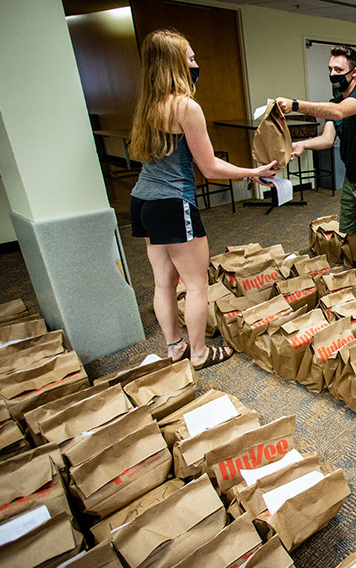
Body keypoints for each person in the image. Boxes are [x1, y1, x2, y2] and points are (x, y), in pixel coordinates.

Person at [128, 28, 278, 369]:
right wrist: (252, 173)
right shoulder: (185, 107)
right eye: (191, 59)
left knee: (162, 282)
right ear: (174, 65)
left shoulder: (147, 106)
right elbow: (209, 167)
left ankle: (175, 347)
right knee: (196, 284)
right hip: (172, 204)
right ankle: (197, 353)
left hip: (143, 202)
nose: (196, 64)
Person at [276, 46, 356, 288]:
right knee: (351, 228)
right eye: (330, 69)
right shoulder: (335, 102)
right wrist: (303, 145)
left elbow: (339, 113)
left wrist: (296, 104)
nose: (333, 74)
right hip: (352, 177)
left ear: (354, 72)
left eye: (338, 69)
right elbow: (328, 139)